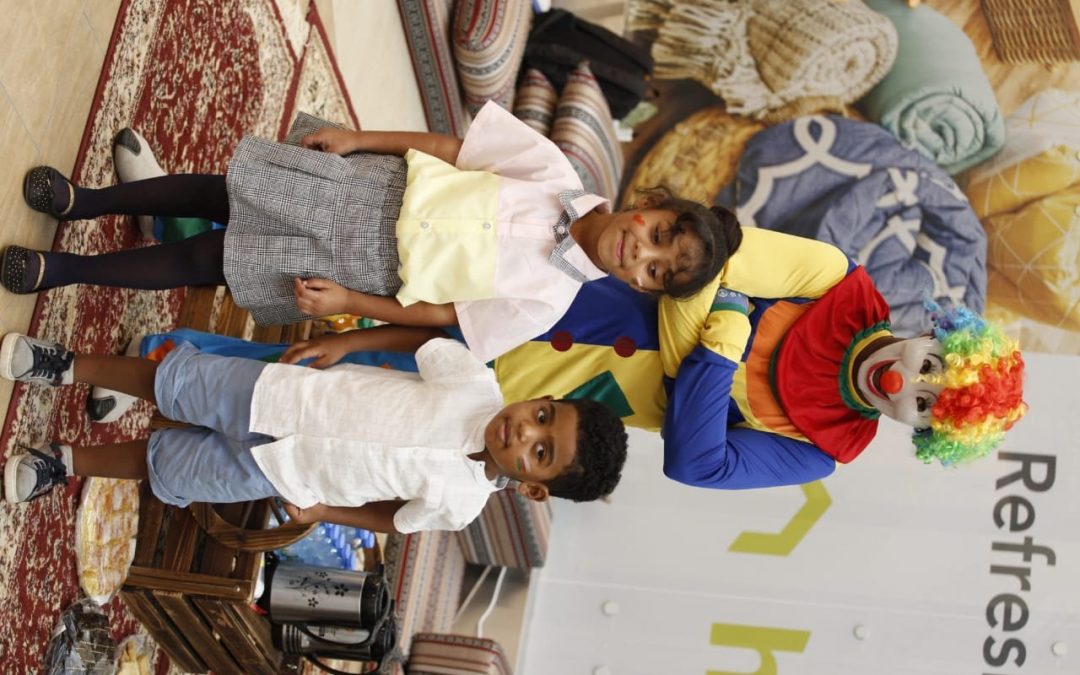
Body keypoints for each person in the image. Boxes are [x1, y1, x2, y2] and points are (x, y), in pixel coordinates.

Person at [4, 103, 739, 362]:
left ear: (642, 287)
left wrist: (351, 308)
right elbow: (452, 148)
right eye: (657, 235)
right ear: (648, 204)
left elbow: (441, 317)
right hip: (367, 186)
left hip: (358, 263)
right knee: (217, 190)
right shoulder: (552, 169)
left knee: (210, 258)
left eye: (656, 271)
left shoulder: (547, 301)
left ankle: (62, 271)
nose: (642, 253)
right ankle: (84, 200)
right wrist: (359, 139)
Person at [0, 329, 628, 533]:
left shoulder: (461, 507)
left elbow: (394, 519)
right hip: (282, 396)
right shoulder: (476, 384)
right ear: (544, 398)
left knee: (171, 469)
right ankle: (64, 365)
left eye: (539, 452)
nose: (522, 431)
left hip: (286, 474)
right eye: (541, 416)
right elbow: (421, 342)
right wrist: (344, 344)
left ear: (533, 488)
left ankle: (63, 462)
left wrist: (324, 510)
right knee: (174, 382)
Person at [659, 262, 1028, 489]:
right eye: (928, 365)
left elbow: (694, 466)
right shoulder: (842, 285)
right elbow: (703, 252)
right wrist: (689, 397)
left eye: (921, 404)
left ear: (920, 429)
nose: (900, 382)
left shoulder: (823, 450)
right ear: (929, 335)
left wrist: (728, 328)